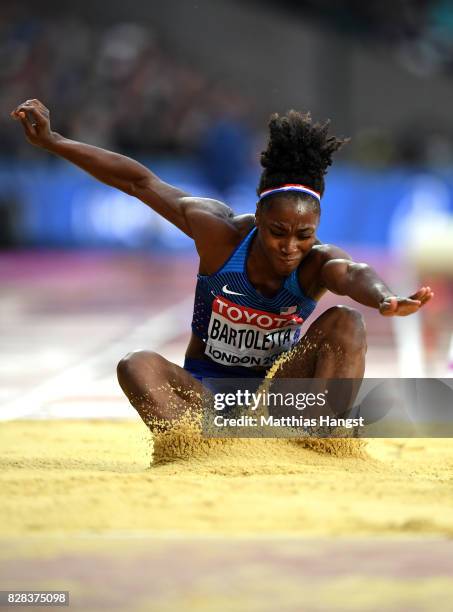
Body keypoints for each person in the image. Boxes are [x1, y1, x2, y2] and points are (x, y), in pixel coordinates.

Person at [11, 100, 434, 430]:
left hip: (279, 398)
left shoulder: (317, 263)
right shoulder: (218, 235)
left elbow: (354, 273)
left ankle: (321, 433)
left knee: (346, 321)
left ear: (316, 228)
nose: (289, 246)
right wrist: (54, 142)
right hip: (209, 396)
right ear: (258, 216)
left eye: (303, 235)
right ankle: (198, 443)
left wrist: (384, 297)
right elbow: (138, 181)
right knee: (135, 365)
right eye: (277, 231)